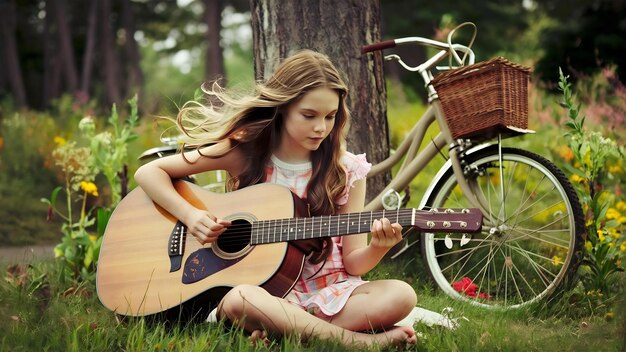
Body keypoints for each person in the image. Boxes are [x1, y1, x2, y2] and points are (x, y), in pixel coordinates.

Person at [134, 50, 418, 348]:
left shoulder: (346, 170)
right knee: (240, 298)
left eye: (330, 116)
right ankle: (357, 343)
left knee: (401, 295)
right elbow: (149, 172)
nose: (321, 127)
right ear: (282, 107)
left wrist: (377, 247)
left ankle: (287, 331)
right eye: (309, 116)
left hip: (333, 291)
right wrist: (190, 215)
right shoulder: (246, 153)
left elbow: (354, 263)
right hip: (265, 294)